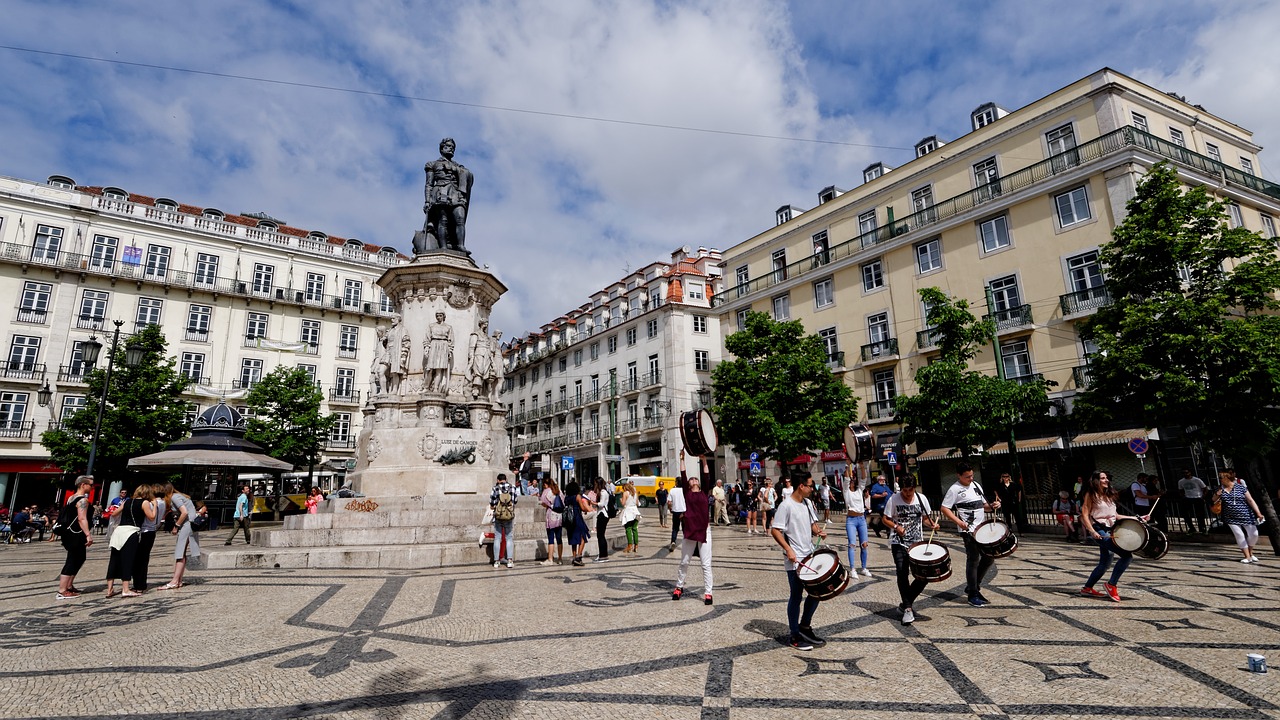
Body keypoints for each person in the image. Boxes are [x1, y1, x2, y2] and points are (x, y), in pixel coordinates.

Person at [770, 474, 827, 650]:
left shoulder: (808, 504)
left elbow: (811, 524)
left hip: (809, 555)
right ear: (801, 486)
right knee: (796, 595)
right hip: (794, 559)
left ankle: (805, 627)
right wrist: (788, 550)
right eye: (810, 486)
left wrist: (818, 532)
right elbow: (775, 530)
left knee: (816, 592)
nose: (813, 489)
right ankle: (794, 635)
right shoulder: (786, 505)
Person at [940, 461, 1001, 607]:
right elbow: (944, 508)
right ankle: (973, 593)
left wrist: (993, 506)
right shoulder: (954, 489)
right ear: (959, 475)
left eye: (972, 475)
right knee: (973, 560)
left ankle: (974, 586)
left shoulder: (976, 485)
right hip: (968, 530)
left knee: (989, 558)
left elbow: (983, 506)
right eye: (967, 476)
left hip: (982, 529)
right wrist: (958, 522)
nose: (971, 478)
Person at [882, 474, 939, 625]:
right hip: (898, 542)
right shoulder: (894, 499)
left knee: (924, 576)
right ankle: (908, 609)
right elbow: (885, 518)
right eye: (905, 490)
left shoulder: (921, 499)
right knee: (902, 572)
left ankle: (905, 604)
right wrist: (896, 526)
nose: (907, 494)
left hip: (917, 544)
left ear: (915, 488)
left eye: (910, 490)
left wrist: (932, 524)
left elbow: (925, 519)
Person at [1080, 470, 1145, 601]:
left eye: (1107, 478)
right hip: (1100, 530)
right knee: (1126, 556)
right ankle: (1111, 584)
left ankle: (1087, 588)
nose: (1106, 480)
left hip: (1112, 529)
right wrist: (1092, 531)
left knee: (1105, 562)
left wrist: (1137, 518)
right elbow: (1084, 515)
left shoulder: (1108, 495)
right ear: (1096, 481)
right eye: (1103, 478)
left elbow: (1115, 516)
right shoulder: (1091, 495)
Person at [417, 137, 474, 253]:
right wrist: (427, 201)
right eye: (448, 146)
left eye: (453, 147)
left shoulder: (460, 167)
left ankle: (460, 246)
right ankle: (443, 247)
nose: (451, 149)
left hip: (456, 193)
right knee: (443, 220)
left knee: (460, 218)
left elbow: (468, 177)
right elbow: (429, 184)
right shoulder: (432, 164)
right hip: (440, 192)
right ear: (442, 148)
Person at [672, 452, 714, 604]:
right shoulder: (686, 493)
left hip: (704, 530)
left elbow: (706, 476)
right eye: (692, 479)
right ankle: (679, 586)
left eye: (696, 479)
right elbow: (683, 474)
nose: (694, 479)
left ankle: (708, 592)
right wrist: (682, 459)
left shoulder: (704, 492)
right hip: (690, 531)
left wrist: (703, 460)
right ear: (688, 484)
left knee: (705, 564)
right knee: (684, 561)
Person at [105, 484, 156, 598]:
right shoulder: (145, 503)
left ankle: (109, 589)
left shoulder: (127, 501)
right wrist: (155, 505)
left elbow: (114, 513)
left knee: (114, 558)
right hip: (131, 531)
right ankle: (126, 589)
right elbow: (151, 517)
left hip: (119, 531)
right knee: (128, 559)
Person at [56, 476, 95, 600]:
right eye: (90, 485)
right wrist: (88, 534)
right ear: (83, 485)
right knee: (73, 559)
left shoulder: (71, 498)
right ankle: (62, 590)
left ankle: (69, 585)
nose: (92, 487)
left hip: (70, 532)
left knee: (80, 557)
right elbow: (81, 518)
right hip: (76, 533)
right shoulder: (82, 500)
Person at [1214, 470, 1265, 563]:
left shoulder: (1241, 488)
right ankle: (1247, 556)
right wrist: (1217, 495)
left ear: (1227, 478)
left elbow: (1250, 500)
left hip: (1246, 515)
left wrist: (1258, 513)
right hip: (1230, 517)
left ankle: (1250, 553)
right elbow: (1213, 500)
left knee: (1254, 534)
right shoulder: (1220, 489)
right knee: (1239, 535)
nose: (1220, 480)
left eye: (1221, 478)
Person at [160, 484, 200, 590]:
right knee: (182, 553)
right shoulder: (179, 496)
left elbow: (184, 512)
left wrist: (176, 526)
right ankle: (178, 580)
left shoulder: (174, 497)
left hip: (187, 525)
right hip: (189, 525)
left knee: (180, 552)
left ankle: (174, 581)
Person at [132, 482, 166, 592]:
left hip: (145, 530)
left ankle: (139, 584)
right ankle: (140, 583)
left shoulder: (151, 503)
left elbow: (150, 515)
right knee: (144, 557)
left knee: (139, 558)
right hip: (152, 530)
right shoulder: (163, 503)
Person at [842, 466, 873, 578]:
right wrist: (847, 466)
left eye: (853, 481)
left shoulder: (859, 491)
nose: (852, 482)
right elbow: (845, 480)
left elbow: (863, 479)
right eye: (851, 481)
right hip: (851, 520)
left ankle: (864, 567)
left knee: (864, 544)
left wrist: (861, 466)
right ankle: (852, 569)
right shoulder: (846, 492)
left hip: (861, 519)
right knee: (852, 544)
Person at [490, 472, 518, 568]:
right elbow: (515, 501)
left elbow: (492, 503)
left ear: (498, 480)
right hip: (509, 516)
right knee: (509, 537)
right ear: (506, 479)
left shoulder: (495, 488)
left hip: (498, 516)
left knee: (497, 537)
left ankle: (496, 561)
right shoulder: (513, 487)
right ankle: (509, 560)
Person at [423, 312, 455, 393]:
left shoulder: (448, 327)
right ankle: (426, 387)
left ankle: (436, 388)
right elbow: (427, 338)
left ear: (444, 316)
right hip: (433, 345)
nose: (438, 317)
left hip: (443, 346)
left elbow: (451, 340)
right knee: (429, 368)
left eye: (440, 316)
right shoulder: (431, 326)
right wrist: (426, 347)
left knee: (439, 369)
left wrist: (450, 350)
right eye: (437, 316)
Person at [564, 481, 591, 566]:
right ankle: (579, 557)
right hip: (577, 518)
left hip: (569, 520)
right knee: (583, 537)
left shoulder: (567, 498)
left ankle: (574, 556)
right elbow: (583, 508)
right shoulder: (577, 496)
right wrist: (588, 509)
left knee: (573, 538)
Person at [539, 478, 564, 566]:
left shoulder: (547, 491)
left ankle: (550, 559)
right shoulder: (558, 490)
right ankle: (560, 558)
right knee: (559, 538)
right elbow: (563, 502)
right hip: (559, 516)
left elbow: (542, 501)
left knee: (551, 538)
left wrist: (548, 505)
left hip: (551, 516)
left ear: (546, 484)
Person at [1178, 468, 1209, 535]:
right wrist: (1183, 497)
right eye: (1184, 473)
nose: (1186, 474)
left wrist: (1202, 497)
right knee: (1186, 514)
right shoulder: (1181, 481)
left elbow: (1205, 488)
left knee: (1200, 514)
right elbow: (1180, 490)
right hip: (1188, 498)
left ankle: (1202, 528)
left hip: (1197, 498)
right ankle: (1191, 528)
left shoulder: (1197, 480)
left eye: (1187, 473)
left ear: (1190, 473)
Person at [619, 479, 641, 555]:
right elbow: (638, 503)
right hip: (635, 511)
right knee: (635, 529)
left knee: (628, 529)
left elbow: (623, 503)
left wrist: (621, 499)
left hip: (628, 512)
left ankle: (629, 545)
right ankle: (636, 545)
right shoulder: (635, 493)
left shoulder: (625, 493)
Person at [592, 477, 612, 563]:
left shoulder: (603, 492)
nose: (594, 485)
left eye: (595, 483)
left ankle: (603, 556)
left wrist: (593, 503)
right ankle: (601, 554)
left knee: (601, 535)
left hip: (603, 515)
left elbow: (602, 504)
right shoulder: (603, 492)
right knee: (600, 535)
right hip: (602, 514)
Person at [667, 476, 686, 551]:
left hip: (676, 511)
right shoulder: (685, 490)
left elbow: (669, 502)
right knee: (685, 528)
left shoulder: (672, 490)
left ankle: (673, 541)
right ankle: (686, 542)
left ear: (677, 482)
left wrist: (670, 508)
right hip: (684, 511)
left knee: (675, 528)